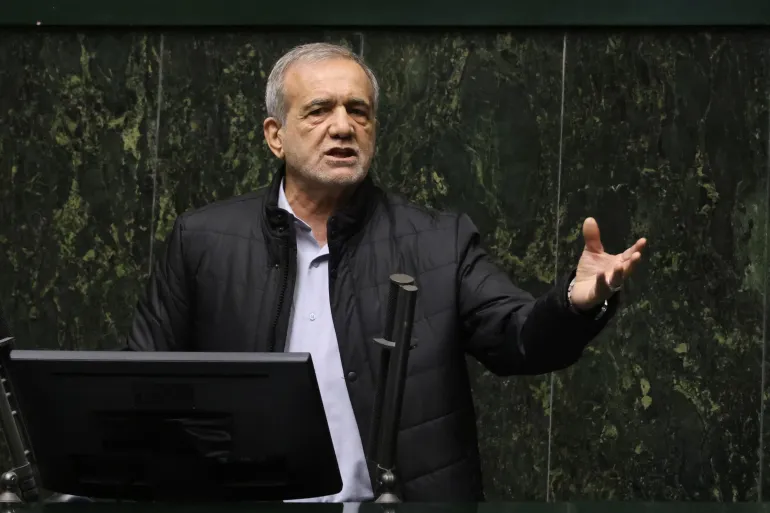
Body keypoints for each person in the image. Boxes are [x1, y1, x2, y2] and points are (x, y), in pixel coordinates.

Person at [128, 42, 647, 502]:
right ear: (275, 135)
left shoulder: (439, 242)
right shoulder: (204, 241)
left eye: (359, 111)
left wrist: (574, 303)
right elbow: (141, 389)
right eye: (318, 111)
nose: (342, 126)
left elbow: (520, 338)